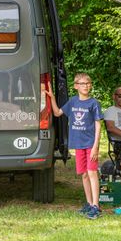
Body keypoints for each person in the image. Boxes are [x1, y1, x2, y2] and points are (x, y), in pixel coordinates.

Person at [45, 73, 103, 219]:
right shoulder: (72, 101)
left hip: (90, 144)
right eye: (83, 84)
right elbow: (58, 113)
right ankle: (89, 204)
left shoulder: (93, 103)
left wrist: (96, 146)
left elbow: (98, 126)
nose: (86, 86)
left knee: (92, 173)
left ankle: (96, 206)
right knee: (84, 174)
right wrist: (51, 97)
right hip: (78, 144)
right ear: (76, 86)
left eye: (89, 83)